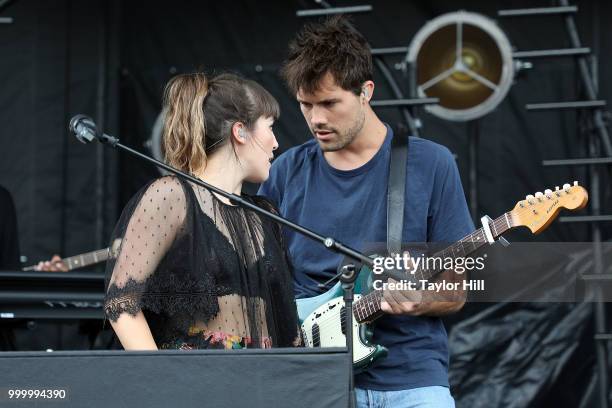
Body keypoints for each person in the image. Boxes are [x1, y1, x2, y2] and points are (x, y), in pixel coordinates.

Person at [258, 16, 474, 407]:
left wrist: (420, 300)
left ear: (365, 92)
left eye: (329, 103)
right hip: (312, 378)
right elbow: (258, 279)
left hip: (411, 376)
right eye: (305, 105)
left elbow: (457, 289)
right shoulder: (286, 172)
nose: (316, 119)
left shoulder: (430, 164)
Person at [104, 72, 301, 351]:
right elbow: (122, 302)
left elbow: (285, 319)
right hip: (194, 379)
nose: (275, 142)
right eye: (269, 127)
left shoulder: (264, 215)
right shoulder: (171, 195)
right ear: (240, 131)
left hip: (261, 380)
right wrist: (164, 378)